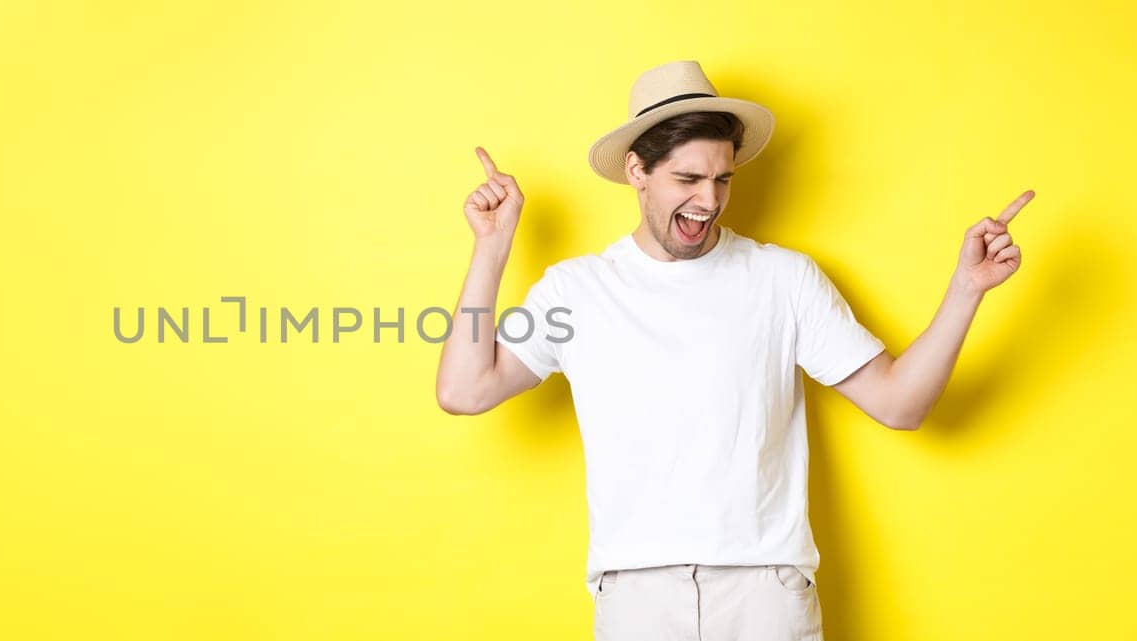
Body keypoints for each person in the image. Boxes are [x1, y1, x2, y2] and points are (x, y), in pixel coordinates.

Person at [433, 60, 1032, 641]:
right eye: (687, 180)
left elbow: (901, 404)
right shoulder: (579, 289)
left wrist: (966, 289)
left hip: (765, 592)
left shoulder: (783, 279)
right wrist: (493, 244)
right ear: (637, 171)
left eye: (722, 179)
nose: (709, 200)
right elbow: (463, 390)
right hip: (637, 596)